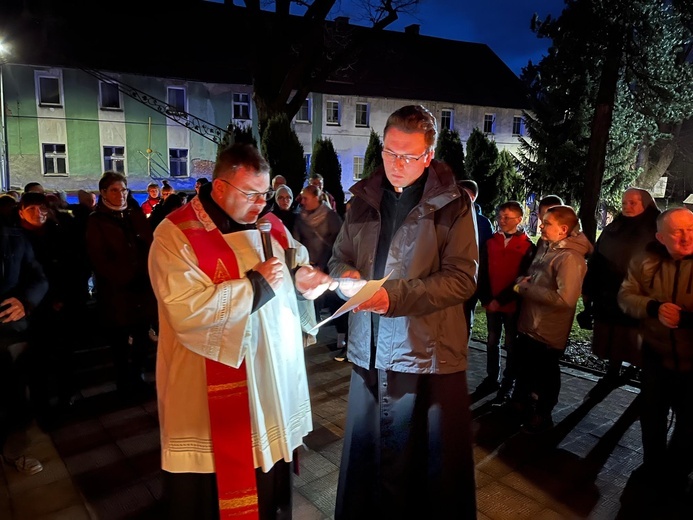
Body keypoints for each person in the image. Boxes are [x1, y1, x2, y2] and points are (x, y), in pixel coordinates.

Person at [148, 143, 336, 520]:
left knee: (268, 476)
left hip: (271, 380)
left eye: (264, 193)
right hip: (210, 383)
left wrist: (304, 277)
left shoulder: (271, 223)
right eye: (250, 194)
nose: (259, 203)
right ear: (219, 188)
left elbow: (293, 258)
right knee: (217, 488)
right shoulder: (176, 234)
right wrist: (255, 286)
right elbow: (184, 309)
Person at [329, 105, 478, 519]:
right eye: (390, 153)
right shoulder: (362, 200)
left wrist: (393, 298)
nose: (397, 165)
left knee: (419, 470)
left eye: (409, 156)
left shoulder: (453, 205)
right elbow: (338, 257)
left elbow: (462, 279)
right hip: (368, 351)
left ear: (429, 156)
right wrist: (347, 275)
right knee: (368, 461)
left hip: (424, 355)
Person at [618, 207, 693, 498]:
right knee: (652, 416)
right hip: (656, 355)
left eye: (690, 229)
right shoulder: (645, 260)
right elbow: (625, 296)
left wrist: (686, 320)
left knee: (690, 425)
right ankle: (652, 467)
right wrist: (653, 308)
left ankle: (677, 473)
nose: (686, 237)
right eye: (677, 231)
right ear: (661, 237)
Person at [512, 205, 592, 434]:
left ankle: (543, 414)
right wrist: (524, 282)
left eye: (547, 223)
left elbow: (566, 299)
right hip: (531, 323)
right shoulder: (547, 247)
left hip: (547, 331)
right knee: (528, 370)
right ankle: (525, 407)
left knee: (546, 374)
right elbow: (534, 277)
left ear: (563, 229)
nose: (541, 226)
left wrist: (527, 289)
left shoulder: (570, 259)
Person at [580, 188, 660, 399]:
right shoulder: (614, 227)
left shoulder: (656, 230)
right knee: (615, 338)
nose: (627, 206)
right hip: (609, 295)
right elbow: (597, 258)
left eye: (633, 202)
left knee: (638, 342)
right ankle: (612, 373)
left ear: (646, 204)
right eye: (625, 202)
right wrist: (589, 290)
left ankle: (645, 379)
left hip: (640, 297)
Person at [86, 172, 157, 398]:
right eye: (115, 190)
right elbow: (99, 258)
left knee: (142, 339)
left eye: (124, 190)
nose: (121, 195)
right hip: (116, 292)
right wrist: (125, 277)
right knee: (119, 342)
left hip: (142, 289)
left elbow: (150, 244)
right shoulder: (96, 221)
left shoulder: (134, 214)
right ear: (104, 193)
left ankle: (138, 378)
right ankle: (123, 383)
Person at [0, 216, 48, 475]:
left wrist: (25, 301)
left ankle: (12, 452)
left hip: (10, 333)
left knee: (16, 397)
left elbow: (38, 278)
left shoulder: (15, 237)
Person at [476, 201, 535, 404]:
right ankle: (492, 377)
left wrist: (500, 299)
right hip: (491, 301)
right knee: (492, 341)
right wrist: (487, 298)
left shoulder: (527, 247)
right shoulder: (491, 242)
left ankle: (507, 384)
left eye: (507, 217)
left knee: (511, 344)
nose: (502, 221)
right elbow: (481, 272)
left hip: (511, 305)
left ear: (519, 219)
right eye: (500, 216)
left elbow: (524, 278)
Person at [458, 179, 493, 342]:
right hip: (446, 278)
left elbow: (486, 255)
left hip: (470, 279)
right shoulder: (447, 216)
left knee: (464, 319)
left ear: (472, 197)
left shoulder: (483, 224)